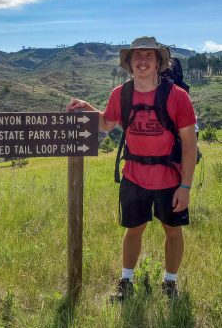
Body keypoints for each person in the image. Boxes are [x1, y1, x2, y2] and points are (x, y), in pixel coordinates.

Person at [67, 36, 197, 301]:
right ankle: (126, 281)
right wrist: (87, 108)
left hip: (169, 177)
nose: (142, 61)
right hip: (134, 176)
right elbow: (107, 123)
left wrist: (185, 186)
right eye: (137, 56)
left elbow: (189, 143)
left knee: (172, 231)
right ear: (128, 63)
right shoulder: (121, 93)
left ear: (159, 62)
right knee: (133, 229)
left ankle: (169, 283)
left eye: (149, 55)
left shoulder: (177, 96)